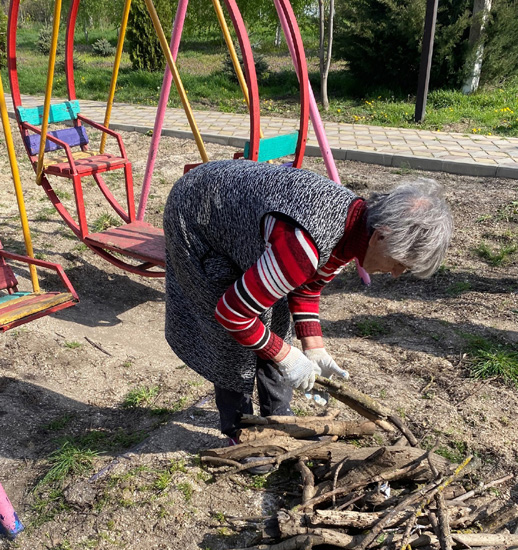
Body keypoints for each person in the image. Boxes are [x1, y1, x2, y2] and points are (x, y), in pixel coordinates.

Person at [163, 160, 452, 442]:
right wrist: (285, 356)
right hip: (197, 213)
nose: (397, 274)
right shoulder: (305, 244)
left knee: (273, 320)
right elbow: (231, 314)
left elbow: (307, 286)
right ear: (380, 236)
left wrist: (314, 348)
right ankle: (241, 431)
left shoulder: (355, 228)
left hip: (237, 207)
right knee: (233, 343)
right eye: (400, 262)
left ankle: (279, 419)